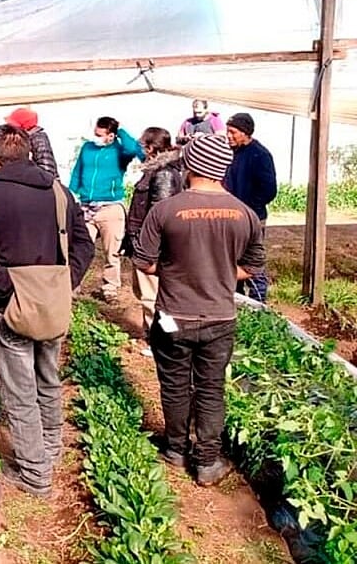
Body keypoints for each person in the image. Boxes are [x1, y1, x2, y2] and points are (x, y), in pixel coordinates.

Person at [0, 124, 94, 497]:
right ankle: (50, 450)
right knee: (48, 378)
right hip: (53, 305)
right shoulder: (59, 192)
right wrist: (63, 282)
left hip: (8, 310)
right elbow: (84, 244)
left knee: (20, 392)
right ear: (29, 154)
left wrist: (14, 290)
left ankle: (36, 476)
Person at [133, 134, 265, 487]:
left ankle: (175, 450)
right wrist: (220, 271)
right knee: (210, 388)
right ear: (224, 167)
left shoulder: (166, 210)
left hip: (173, 315)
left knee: (175, 384)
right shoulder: (245, 214)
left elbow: (143, 262)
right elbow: (252, 267)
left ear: (189, 165)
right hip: (220, 317)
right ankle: (206, 462)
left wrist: (177, 268)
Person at [69, 116, 145, 300]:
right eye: (95, 133)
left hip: (110, 207)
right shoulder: (88, 148)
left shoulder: (120, 151)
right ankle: (73, 284)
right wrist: (72, 192)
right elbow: (78, 170)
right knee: (80, 247)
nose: (96, 137)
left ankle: (110, 288)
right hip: (87, 206)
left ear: (110, 135)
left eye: (100, 134)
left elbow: (136, 150)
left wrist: (121, 130)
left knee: (112, 251)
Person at [125, 127, 183, 335]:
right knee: (145, 291)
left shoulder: (164, 173)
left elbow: (160, 214)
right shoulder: (157, 170)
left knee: (153, 295)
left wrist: (149, 246)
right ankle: (154, 333)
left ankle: (161, 338)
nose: (141, 150)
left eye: (143, 146)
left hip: (152, 246)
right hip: (146, 242)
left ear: (151, 148)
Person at [224, 112, 277, 303]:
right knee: (232, 261)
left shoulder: (260, 155)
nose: (228, 136)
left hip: (252, 218)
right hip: (230, 217)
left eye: (233, 132)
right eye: (227, 131)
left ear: (245, 133)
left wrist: (246, 210)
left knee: (253, 263)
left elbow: (269, 190)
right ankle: (237, 302)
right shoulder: (229, 153)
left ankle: (258, 305)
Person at [5, 106, 58, 178]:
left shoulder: (38, 139)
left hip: (45, 185)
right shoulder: (29, 139)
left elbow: (48, 169)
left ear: (24, 127)